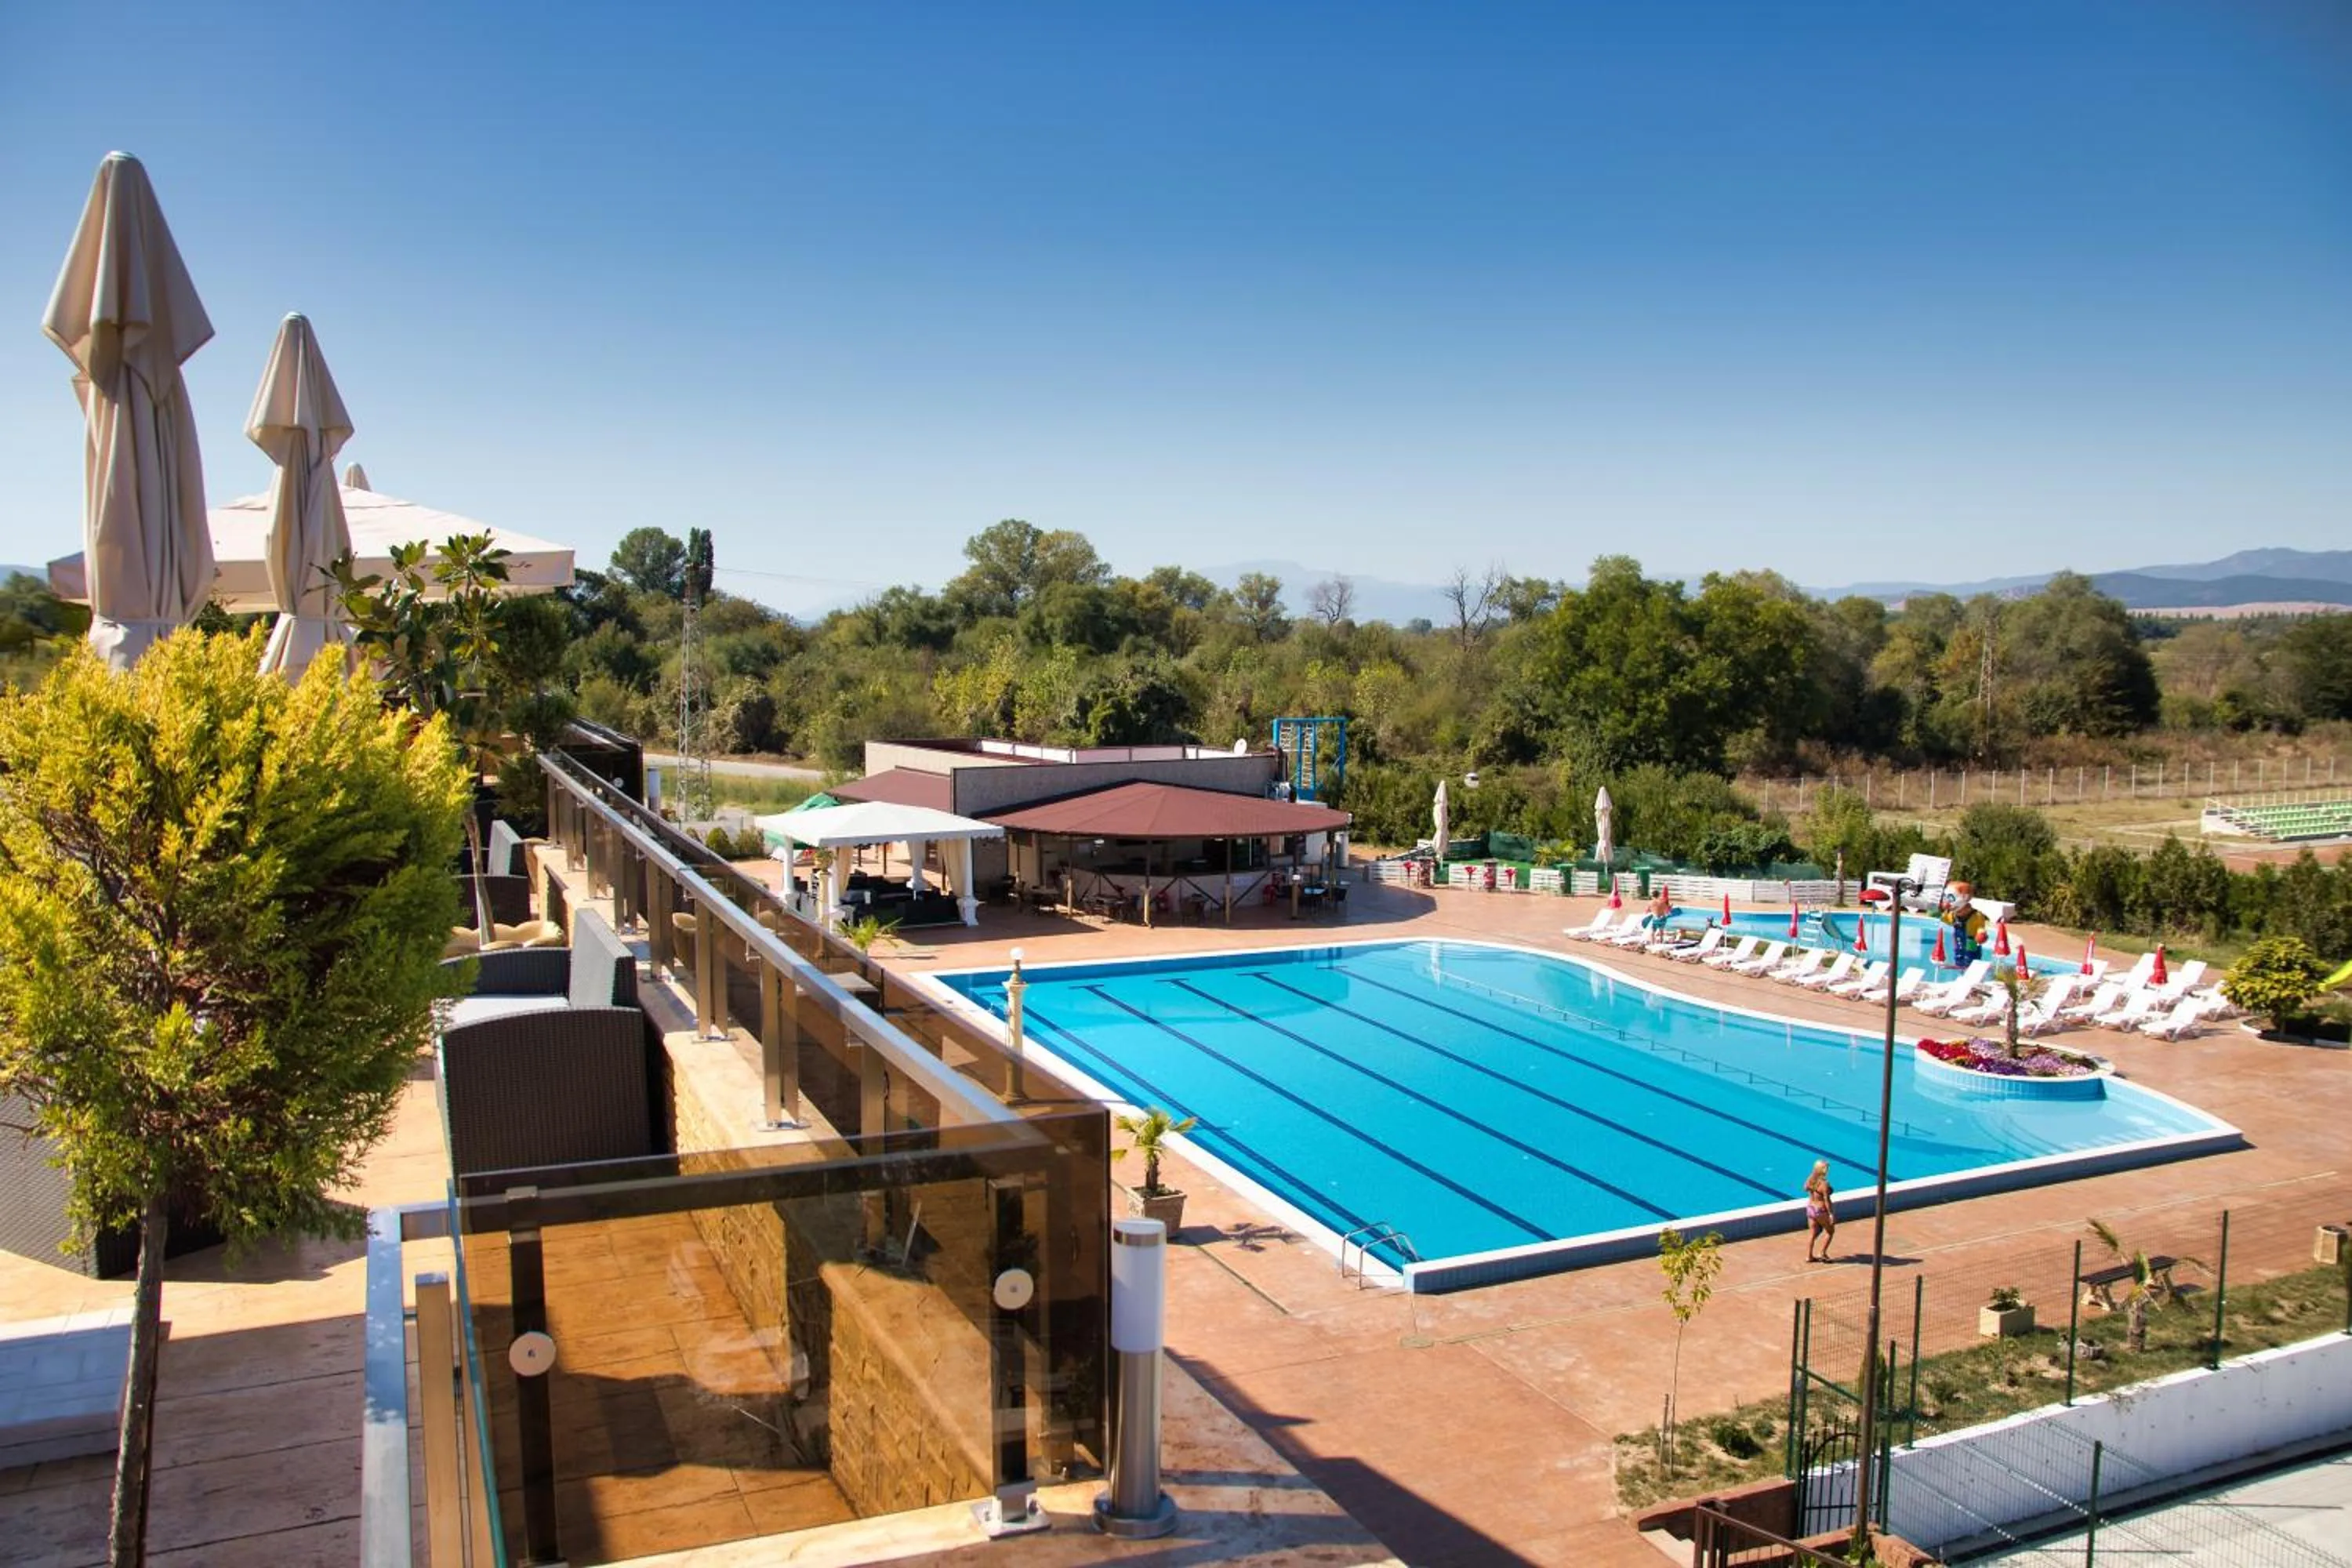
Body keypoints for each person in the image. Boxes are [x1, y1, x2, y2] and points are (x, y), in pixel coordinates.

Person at [1805, 1160, 1836, 1262]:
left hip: (1810, 1208)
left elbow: (1805, 1188)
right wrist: (1831, 1214)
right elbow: (1827, 1200)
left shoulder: (1810, 1179)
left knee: (1813, 1234)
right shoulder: (1824, 1184)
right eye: (1826, 1168)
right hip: (1820, 1210)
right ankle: (1823, 1253)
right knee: (1830, 1231)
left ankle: (1809, 1256)